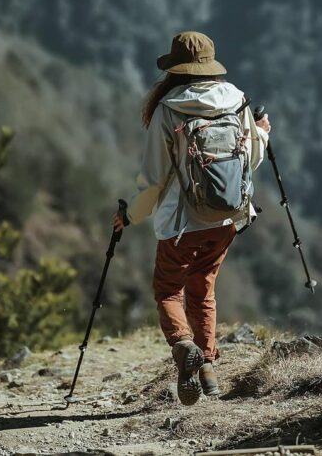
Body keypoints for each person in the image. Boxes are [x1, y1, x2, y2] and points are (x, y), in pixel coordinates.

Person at [112, 30, 271, 405]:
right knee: (204, 289)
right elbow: (251, 159)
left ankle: (184, 347)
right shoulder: (236, 101)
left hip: (180, 225)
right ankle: (209, 372)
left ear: (176, 70)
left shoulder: (169, 110)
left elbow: (153, 182)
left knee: (169, 290)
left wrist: (128, 216)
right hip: (226, 220)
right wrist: (263, 133)